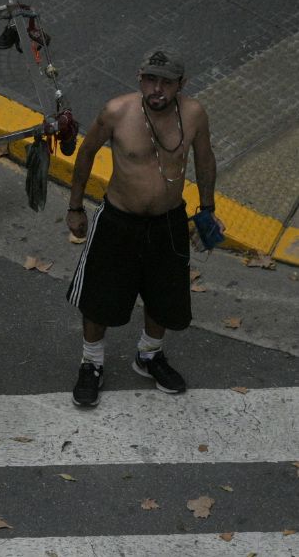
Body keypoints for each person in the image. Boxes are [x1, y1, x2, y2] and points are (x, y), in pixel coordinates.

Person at [64, 50, 223, 407]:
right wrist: (75, 207)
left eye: (166, 82)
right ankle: (91, 363)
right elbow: (86, 153)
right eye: (151, 80)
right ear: (140, 78)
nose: (158, 89)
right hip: (118, 221)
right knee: (99, 298)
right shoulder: (116, 112)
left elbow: (205, 158)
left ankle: (149, 356)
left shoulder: (194, 114)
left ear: (181, 84)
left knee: (163, 295)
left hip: (168, 222)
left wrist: (207, 209)